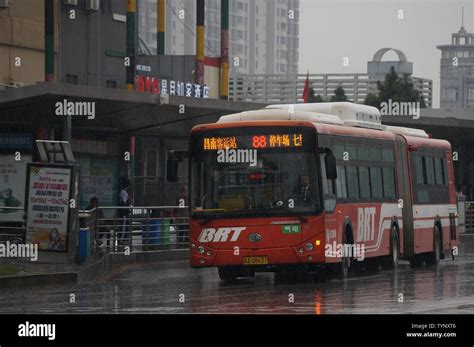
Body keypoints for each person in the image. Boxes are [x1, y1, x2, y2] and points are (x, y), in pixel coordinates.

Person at [116, 178, 131, 245]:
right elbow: (124, 202)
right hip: (124, 213)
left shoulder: (121, 192)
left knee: (123, 226)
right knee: (124, 226)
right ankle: (121, 239)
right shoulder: (124, 193)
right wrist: (128, 207)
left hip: (122, 213)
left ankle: (122, 239)